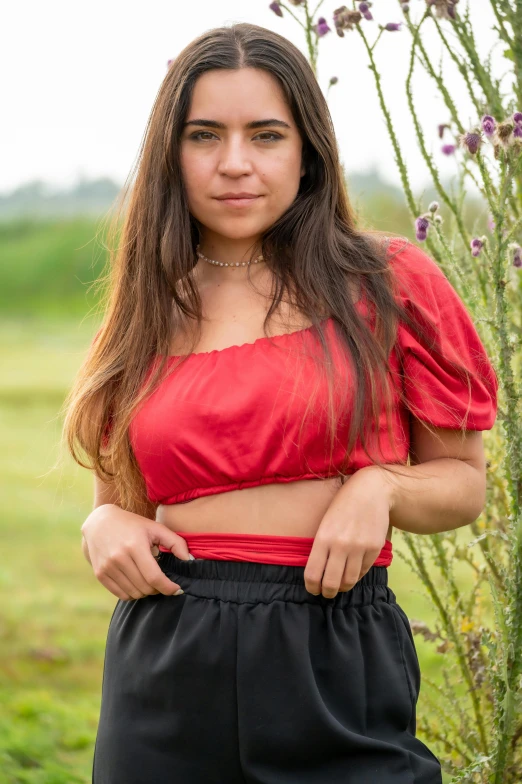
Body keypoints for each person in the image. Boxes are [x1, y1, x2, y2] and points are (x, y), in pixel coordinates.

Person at [64, 22, 498, 784]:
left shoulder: (386, 282)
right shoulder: (147, 307)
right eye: (205, 136)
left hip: (333, 649)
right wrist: (102, 524)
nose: (235, 164)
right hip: (167, 659)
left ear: (308, 152)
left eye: (266, 135)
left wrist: (382, 483)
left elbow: (464, 483)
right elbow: (123, 506)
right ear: (173, 153)